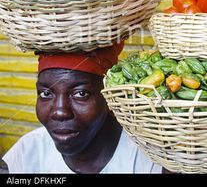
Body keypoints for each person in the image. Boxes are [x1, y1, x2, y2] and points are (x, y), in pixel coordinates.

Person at [3, 42, 163, 174]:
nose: (59, 112)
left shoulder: (149, 159)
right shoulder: (28, 152)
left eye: (81, 93)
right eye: (46, 93)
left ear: (110, 96)